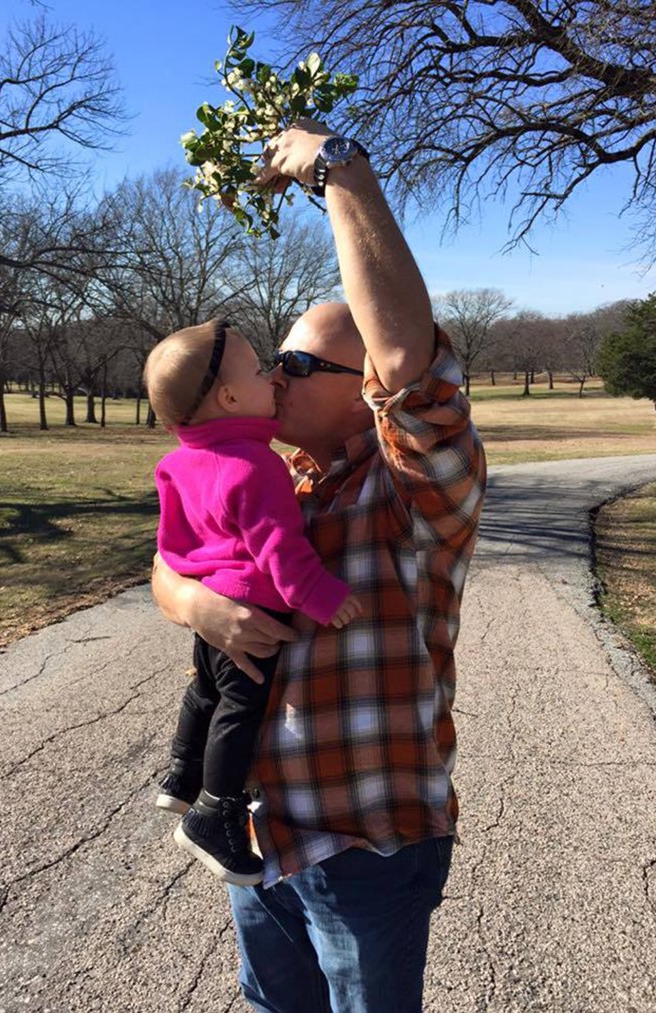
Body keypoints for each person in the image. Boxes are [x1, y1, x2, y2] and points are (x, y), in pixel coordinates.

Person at [152, 119, 486, 1013]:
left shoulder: (414, 493)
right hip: (260, 834)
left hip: (365, 847)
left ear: (364, 387)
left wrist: (341, 172)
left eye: (299, 362)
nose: (279, 377)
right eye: (277, 361)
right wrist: (195, 603)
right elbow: (168, 562)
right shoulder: (274, 476)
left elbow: (413, 365)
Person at [145, 320, 361, 887]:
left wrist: (195, 597)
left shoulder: (179, 463)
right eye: (264, 370)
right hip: (254, 611)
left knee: (205, 691)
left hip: (213, 608)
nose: (276, 378)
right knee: (241, 708)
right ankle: (214, 812)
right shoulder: (256, 464)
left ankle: (181, 774)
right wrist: (322, 597)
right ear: (231, 397)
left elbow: (173, 548)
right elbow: (280, 550)